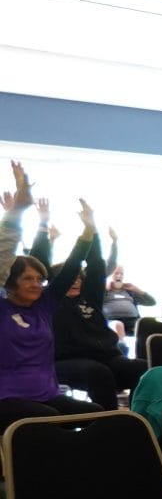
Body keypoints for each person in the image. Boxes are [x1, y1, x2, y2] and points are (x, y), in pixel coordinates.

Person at [1, 167, 101, 419]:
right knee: (46, 420)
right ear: (10, 283)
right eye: (28, 279)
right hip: (7, 397)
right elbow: (2, 257)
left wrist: (88, 232)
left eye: (40, 279)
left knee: (99, 416)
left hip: (48, 394)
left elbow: (71, 267)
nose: (36, 284)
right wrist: (16, 212)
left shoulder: (44, 305)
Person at [53, 225, 147, 409]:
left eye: (79, 278)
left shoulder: (90, 299)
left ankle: (140, 417)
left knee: (144, 369)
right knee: (98, 373)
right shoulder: (51, 302)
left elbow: (96, 266)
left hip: (106, 357)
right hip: (66, 361)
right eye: (71, 278)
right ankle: (110, 423)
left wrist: (93, 229)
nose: (76, 281)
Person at [101, 259, 156, 337]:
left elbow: (152, 302)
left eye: (121, 274)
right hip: (111, 321)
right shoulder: (102, 291)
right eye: (116, 273)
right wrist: (105, 289)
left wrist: (137, 289)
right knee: (118, 325)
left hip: (132, 321)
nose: (119, 276)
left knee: (149, 324)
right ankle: (122, 346)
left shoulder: (129, 291)